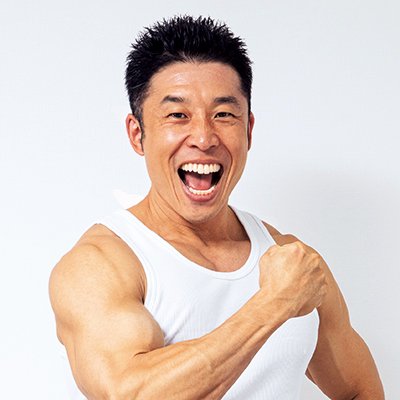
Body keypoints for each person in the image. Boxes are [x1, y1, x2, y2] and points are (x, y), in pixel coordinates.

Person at [49, 15, 384, 399]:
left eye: (224, 114)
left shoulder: (291, 260)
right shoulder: (100, 265)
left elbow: (360, 390)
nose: (204, 137)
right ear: (138, 134)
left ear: (248, 130)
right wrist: (272, 305)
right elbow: (128, 392)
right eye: (178, 115)